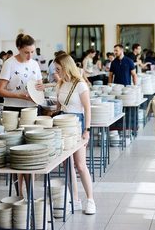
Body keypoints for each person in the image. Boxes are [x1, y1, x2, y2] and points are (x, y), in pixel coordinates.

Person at [0, 34, 44, 197]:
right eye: (26, 52)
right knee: (15, 149)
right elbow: (0, 90)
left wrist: (39, 91)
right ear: (19, 49)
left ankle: (29, 191)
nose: (30, 55)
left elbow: (39, 87)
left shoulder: (35, 65)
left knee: (30, 148)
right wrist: (19, 95)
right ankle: (19, 192)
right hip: (12, 109)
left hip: (31, 109)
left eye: (32, 52)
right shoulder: (9, 63)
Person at [54, 53, 96, 215]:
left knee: (80, 164)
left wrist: (87, 130)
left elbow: (87, 109)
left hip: (77, 125)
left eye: (58, 69)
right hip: (62, 125)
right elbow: (59, 107)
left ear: (66, 67)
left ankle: (90, 200)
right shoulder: (61, 83)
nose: (56, 72)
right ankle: (76, 200)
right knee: (67, 166)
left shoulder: (80, 85)